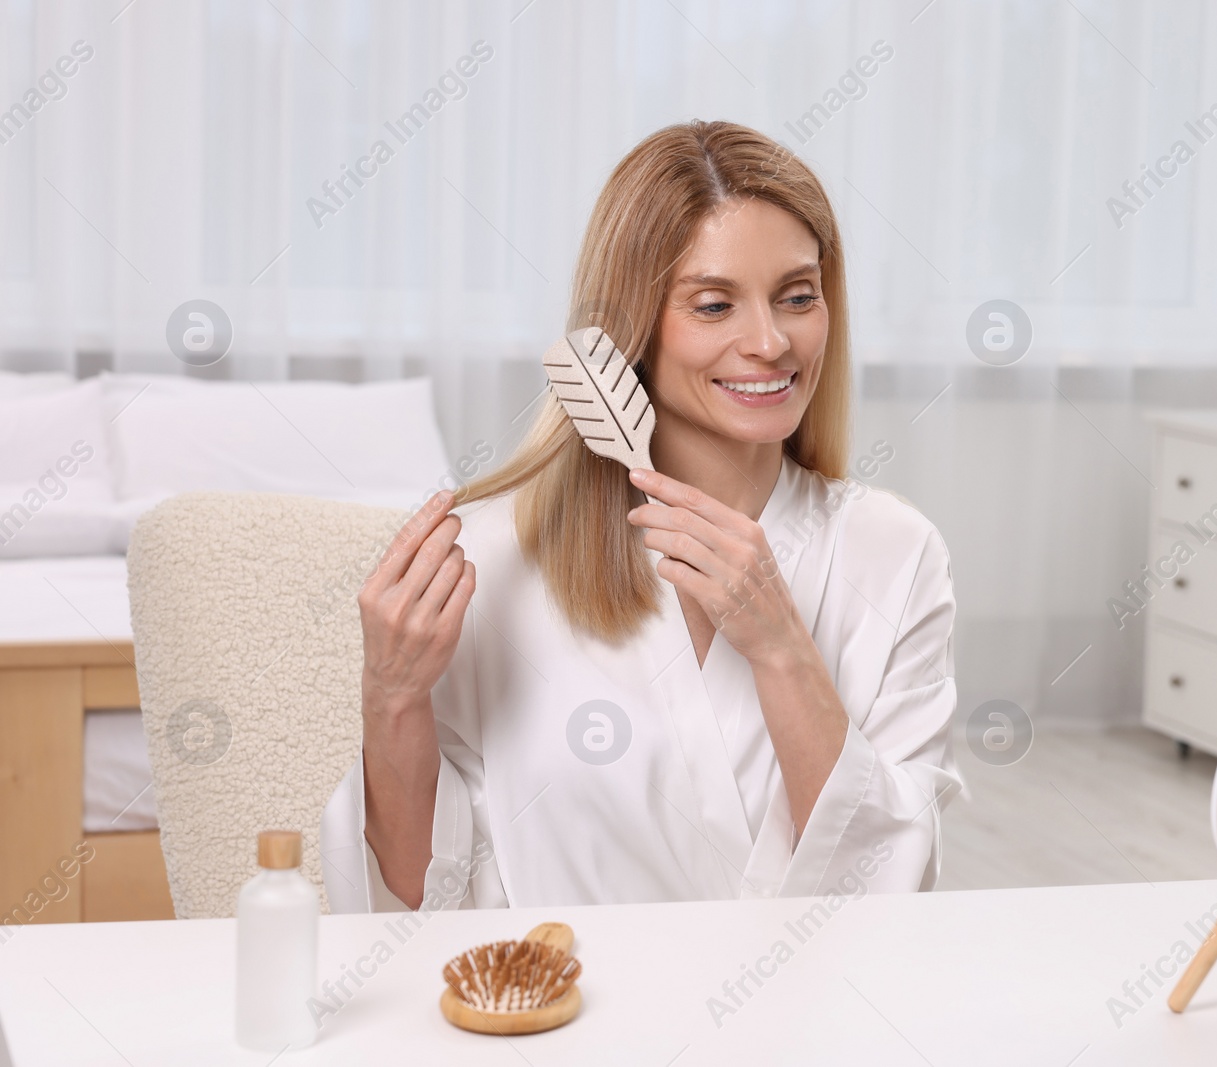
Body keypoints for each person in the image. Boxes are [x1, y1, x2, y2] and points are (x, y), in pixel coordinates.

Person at [321, 120, 961, 912]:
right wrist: (391, 696)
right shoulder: (496, 555)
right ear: (630, 327)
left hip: (808, 1021)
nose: (768, 341)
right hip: (559, 1021)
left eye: (798, 297)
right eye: (714, 304)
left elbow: (892, 890)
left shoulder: (893, 556)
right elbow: (418, 895)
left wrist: (783, 651)